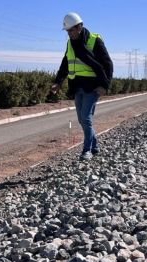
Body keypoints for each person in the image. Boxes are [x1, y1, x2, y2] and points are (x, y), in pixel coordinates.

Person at [51, 12, 113, 161]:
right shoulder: (70, 44)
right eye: (67, 31)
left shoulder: (94, 40)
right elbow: (65, 63)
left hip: (92, 87)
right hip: (76, 86)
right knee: (82, 119)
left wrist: (105, 86)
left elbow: (108, 64)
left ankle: (87, 151)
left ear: (80, 27)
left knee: (86, 118)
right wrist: (58, 82)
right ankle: (95, 146)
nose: (69, 34)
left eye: (71, 30)